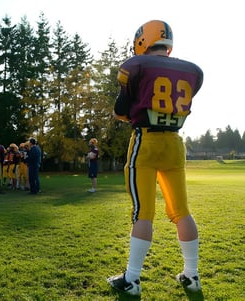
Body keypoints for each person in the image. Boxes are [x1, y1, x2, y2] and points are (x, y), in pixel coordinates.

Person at [107, 20, 204, 296]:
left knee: (143, 213)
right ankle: (192, 274)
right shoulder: (193, 71)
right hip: (175, 144)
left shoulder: (135, 66)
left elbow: (120, 109)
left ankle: (132, 280)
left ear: (142, 40)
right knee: (182, 211)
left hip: (146, 142)